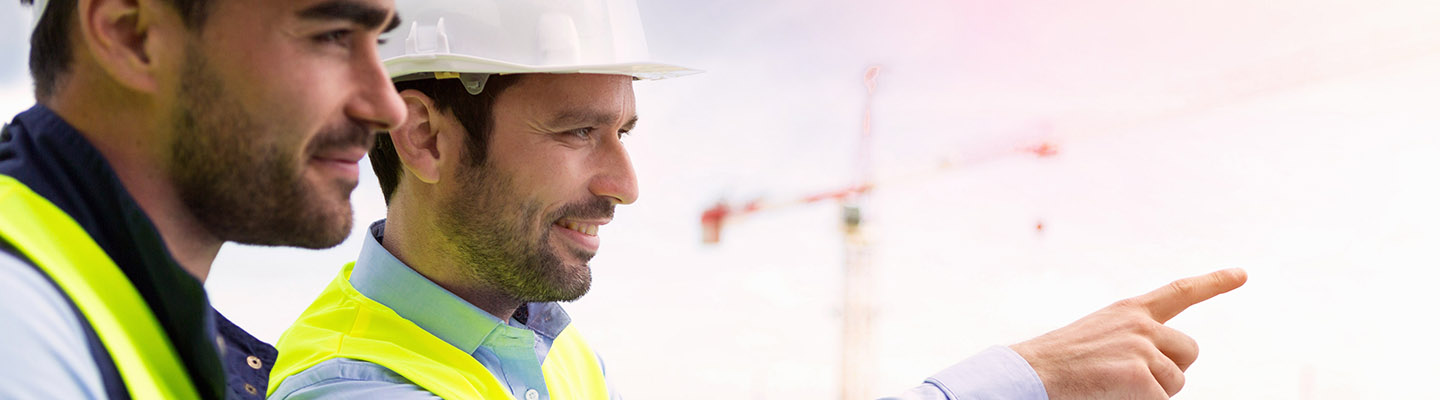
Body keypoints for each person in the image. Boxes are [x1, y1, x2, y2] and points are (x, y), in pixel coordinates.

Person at [266, 0, 1248, 399]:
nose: (623, 183)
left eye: (625, 132)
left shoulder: (546, 348)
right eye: (577, 133)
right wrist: (1015, 379)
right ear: (427, 136)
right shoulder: (356, 386)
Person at [0, 0, 404, 398]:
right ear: (132, 36)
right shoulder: (18, 324)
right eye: (332, 36)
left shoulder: (128, 323)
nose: (388, 108)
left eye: (379, 42)